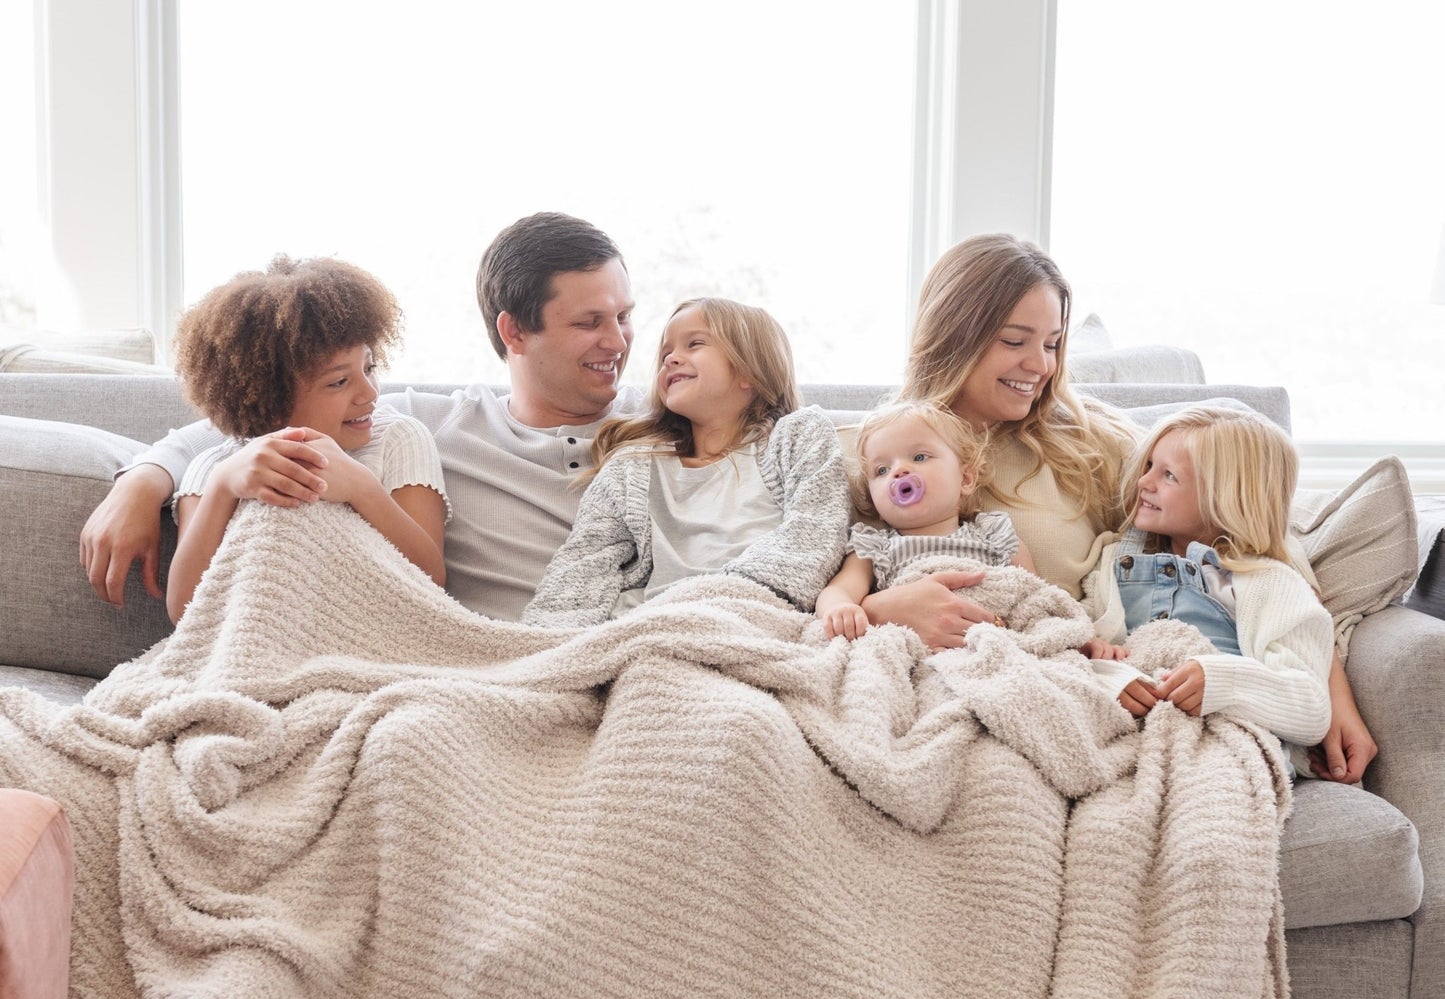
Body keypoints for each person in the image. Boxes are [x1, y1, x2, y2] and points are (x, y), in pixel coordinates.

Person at [872, 232, 1376, 783]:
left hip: (1076, 678)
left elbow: (1256, 539)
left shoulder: (1091, 443)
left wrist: (1333, 696)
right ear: (956, 334)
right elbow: (817, 589)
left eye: (1053, 343)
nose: (1038, 365)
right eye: (1016, 340)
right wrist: (882, 610)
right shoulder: (881, 452)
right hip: (947, 674)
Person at [79, 213, 645, 624]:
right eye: (590, 321)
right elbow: (250, 429)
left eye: (624, 315)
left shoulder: (666, 420)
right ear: (514, 331)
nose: (618, 341)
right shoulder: (430, 421)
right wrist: (141, 480)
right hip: (476, 662)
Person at [523, 298, 847, 627]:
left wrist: (729, 601)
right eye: (666, 355)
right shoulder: (632, 467)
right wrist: (548, 641)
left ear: (749, 370)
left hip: (753, 616)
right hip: (649, 625)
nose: (672, 360)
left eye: (694, 344)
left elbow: (816, 534)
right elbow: (584, 563)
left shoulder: (798, 438)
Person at [165, 256, 448, 622]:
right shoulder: (215, 469)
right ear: (270, 398)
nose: (370, 394)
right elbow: (185, 613)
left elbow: (432, 584)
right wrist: (221, 490)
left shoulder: (397, 440)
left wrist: (362, 488)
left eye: (369, 367)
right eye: (339, 382)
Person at [1078, 405, 1332, 771]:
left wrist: (1222, 682)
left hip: (1222, 749)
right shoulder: (1115, 563)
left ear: (1226, 496)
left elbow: (1311, 708)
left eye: (1168, 476)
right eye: (1148, 465)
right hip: (1122, 739)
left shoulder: (1270, 583)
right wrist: (1108, 671)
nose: (1143, 482)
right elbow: (1082, 650)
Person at [815, 400, 1032, 641]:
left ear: (966, 479)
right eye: (882, 470)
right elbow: (839, 590)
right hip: (914, 646)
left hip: (991, 640)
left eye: (919, 457)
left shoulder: (995, 536)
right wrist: (839, 609)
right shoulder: (874, 547)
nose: (898, 471)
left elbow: (1033, 595)